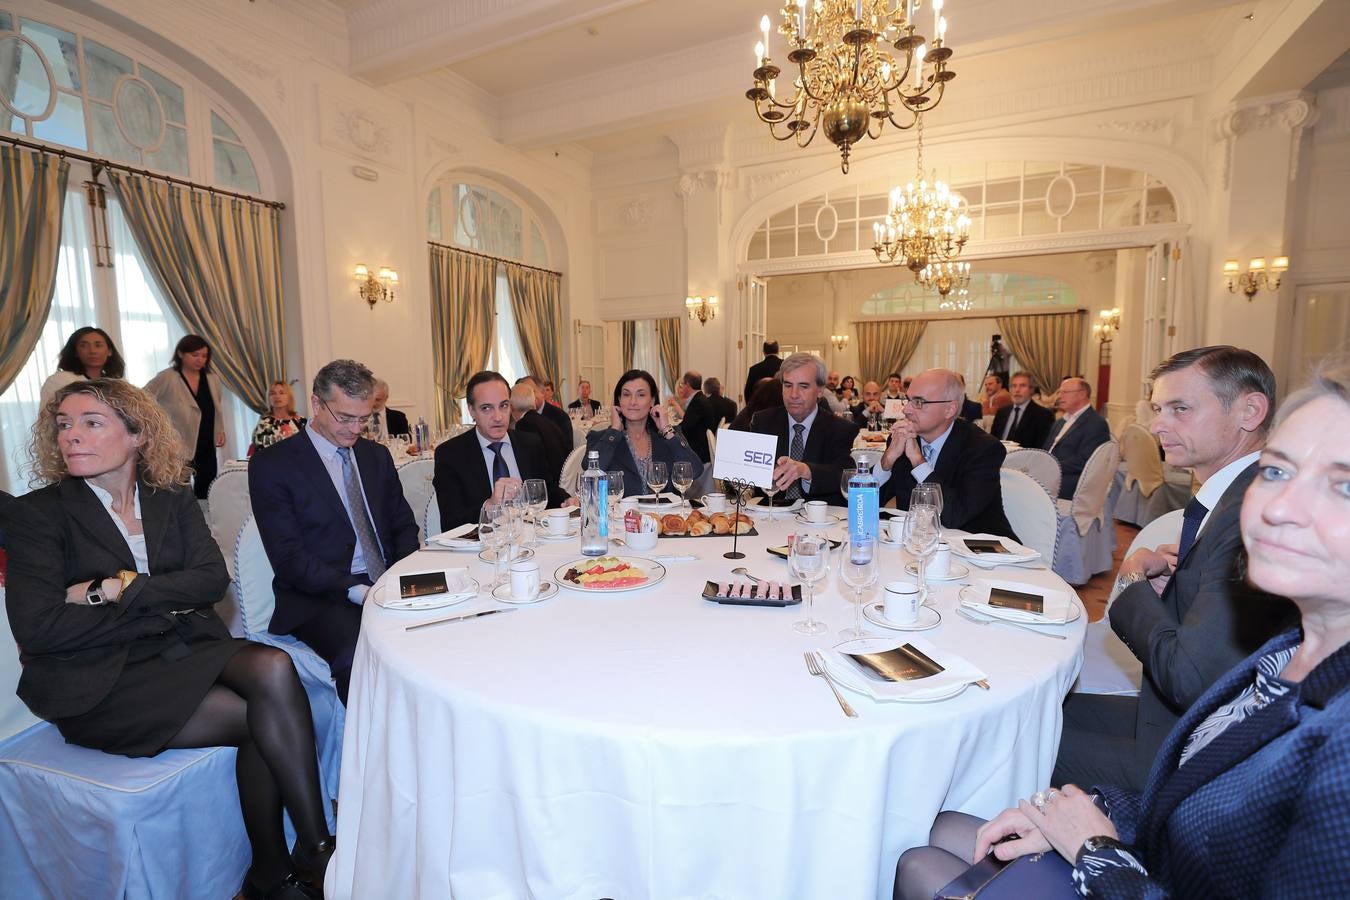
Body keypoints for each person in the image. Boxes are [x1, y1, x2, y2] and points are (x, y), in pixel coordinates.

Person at [894, 360, 1350, 900]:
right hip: (1160, 822)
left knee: (937, 827)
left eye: (1342, 486)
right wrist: (1097, 814)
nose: (1279, 507)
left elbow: (1192, 692)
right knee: (942, 826)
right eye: (1275, 472)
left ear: (1250, 413)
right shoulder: (1289, 651)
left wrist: (1095, 849)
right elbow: (1198, 774)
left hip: (1137, 867)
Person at [3, 379, 334, 900]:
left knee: (272, 666)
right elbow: (39, 629)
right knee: (261, 717)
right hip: (99, 680)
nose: (71, 436)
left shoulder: (170, 498)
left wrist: (113, 587)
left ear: (136, 435)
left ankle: (310, 852)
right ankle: (290, 866)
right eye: (63, 424)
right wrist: (162, 603)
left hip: (180, 649)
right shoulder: (38, 514)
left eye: (91, 422)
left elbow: (210, 581)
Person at [1054, 346, 1295, 792]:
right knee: (1035, 707)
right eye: (1159, 409)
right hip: (1178, 718)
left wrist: (1128, 583)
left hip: (1202, 759)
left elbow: (1189, 678)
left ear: (1249, 410)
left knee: (1005, 737)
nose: (1158, 425)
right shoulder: (1239, 492)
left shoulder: (1251, 516)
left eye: (1179, 409)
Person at [248, 360, 418, 705]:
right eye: (345, 417)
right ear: (316, 404)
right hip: (321, 596)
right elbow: (289, 559)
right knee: (361, 655)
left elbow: (403, 524)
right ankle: (370, 755)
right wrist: (358, 591)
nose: (355, 429)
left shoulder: (376, 456)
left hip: (387, 582)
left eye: (364, 418)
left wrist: (400, 576)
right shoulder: (275, 465)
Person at [879, 368, 1016, 537]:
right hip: (918, 548)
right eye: (907, 400)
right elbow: (860, 503)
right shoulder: (902, 440)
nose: (906, 410)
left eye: (918, 402)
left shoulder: (983, 448)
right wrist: (886, 463)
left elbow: (954, 516)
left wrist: (918, 462)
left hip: (982, 552)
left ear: (950, 409)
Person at [434, 371, 565, 531]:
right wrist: (491, 505)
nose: (498, 417)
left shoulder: (530, 444)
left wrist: (567, 500)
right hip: (482, 548)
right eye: (486, 408)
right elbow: (451, 522)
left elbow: (547, 491)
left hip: (532, 541)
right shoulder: (451, 455)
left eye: (503, 406)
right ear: (471, 411)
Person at [743, 353, 858, 507]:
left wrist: (806, 470)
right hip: (772, 516)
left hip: (819, 519)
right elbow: (748, 474)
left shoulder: (839, 428)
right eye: (788, 385)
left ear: (820, 391)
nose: (793, 395)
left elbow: (844, 473)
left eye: (803, 386)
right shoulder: (763, 421)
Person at [587, 370, 702, 498]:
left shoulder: (668, 437)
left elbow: (695, 471)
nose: (632, 402)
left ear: (652, 401)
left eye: (641, 395)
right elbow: (589, 472)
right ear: (619, 400)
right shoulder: (602, 439)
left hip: (661, 515)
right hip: (619, 516)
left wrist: (666, 430)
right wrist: (614, 431)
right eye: (626, 395)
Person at [144, 335, 226, 500]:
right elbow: (143, 398)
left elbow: (217, 408)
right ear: (181, 354)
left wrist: (220, 429)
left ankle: (204, 521)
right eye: (195, 355)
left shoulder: (212, 379)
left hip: (206, 440)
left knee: (207, 483)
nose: (200, 360)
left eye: (204, 356)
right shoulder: (167, 377)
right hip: (177, 441)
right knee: (178, 486)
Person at [1043, 375, 1111, 499]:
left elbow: (1085, 461)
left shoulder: (1096, 423)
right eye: (1060, 392)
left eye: (1065, 392)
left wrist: (1050, 466)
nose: (1059, 396)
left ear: (1082, 394)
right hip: (1050, 474)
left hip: (1071, 482)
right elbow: (1047, 449)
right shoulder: (1060, 421)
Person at [39, 326, 127, 406]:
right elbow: (46, 418)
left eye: (98, 345)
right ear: (75, 352)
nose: (92, 351)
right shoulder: (59, 380)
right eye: (84, 346)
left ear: (109, 351)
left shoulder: (118, 383)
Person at [508, 381, 567, 481]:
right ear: (533, 401)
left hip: (546, 484)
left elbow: (528, 465)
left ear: (511, 406)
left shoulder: (524, 425)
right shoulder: (548, 422)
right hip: (560, 479)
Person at [990, 370, 1054, 447]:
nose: (1017, 390)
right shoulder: (1002, 412)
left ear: (1031, 389)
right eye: (1013, 386)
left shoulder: (1043, 415)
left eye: (1022, 386)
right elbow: (993, 440)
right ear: (1009, 390)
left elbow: (1041, 447)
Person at [517, 375, 574, 453]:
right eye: (524, 394)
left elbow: (567, 451)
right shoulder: (519, 417)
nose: (528, 397)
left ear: (542, 393)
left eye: (531, 392)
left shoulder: (559, 416)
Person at [250, 381, 307, 456]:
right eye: (273, 393)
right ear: (269, 398)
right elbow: (260, 451)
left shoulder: (301, 421)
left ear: (289, 397)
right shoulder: (263, 423)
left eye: (282, 393)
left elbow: (308, 447)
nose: (277, 396)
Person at [675, 371, 715, 463]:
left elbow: (685, 427)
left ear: (687, 385)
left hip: (698, 450)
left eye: (683, 384)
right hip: (701, 445)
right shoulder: (700, 398)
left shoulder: (698, 402)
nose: (682, 387)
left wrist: (666, 429)